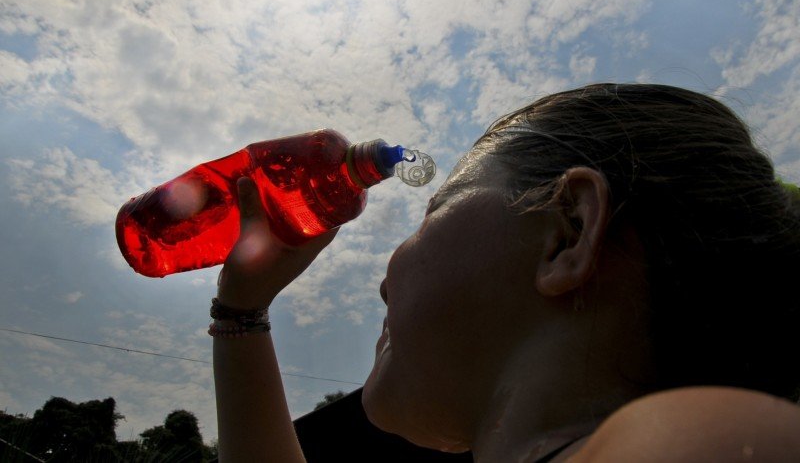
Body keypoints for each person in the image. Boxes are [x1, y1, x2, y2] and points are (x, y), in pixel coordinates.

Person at [211, 83, 800, 462]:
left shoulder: (700, 440)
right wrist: (241, 312)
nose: (385, 278)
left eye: (434, 212)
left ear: (566, 232)